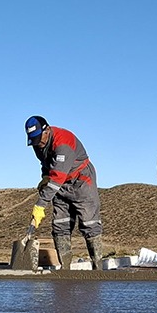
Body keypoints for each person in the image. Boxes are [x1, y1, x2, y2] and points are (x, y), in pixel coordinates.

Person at [25, 115, 104, 269]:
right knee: (60, 225)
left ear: (47, 130)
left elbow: (56, 179)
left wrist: (40, 205)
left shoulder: (63, 143)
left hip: (81, 181)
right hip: (60, 184)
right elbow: (46, 164)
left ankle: (98, 267)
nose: (38, 144)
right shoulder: (37, 144)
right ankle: (65, 268)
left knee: (89, 223)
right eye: (34, 141)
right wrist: (45, 177)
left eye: (39, 139)